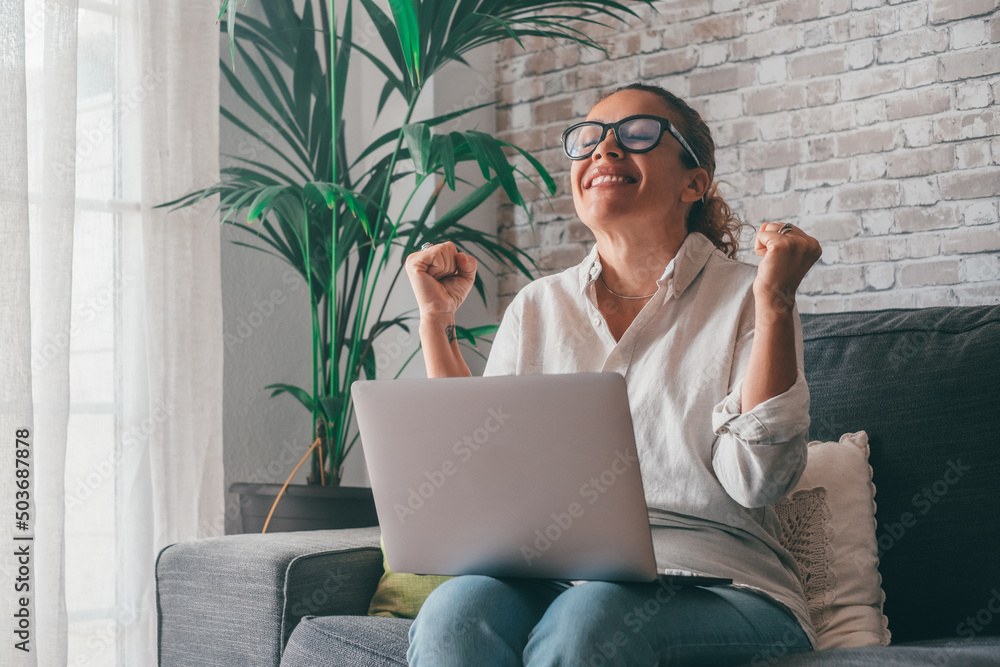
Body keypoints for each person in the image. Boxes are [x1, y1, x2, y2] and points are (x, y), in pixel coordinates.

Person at [402, 82, 823, 666]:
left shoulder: (749, 295)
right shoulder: (537, 306)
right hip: (560, 575)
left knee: (589, 620)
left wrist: (776, 299)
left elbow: (758, 481)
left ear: (693, 183)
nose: (605, 150)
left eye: (638, 134)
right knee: (455, 613)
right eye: (589, 139)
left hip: (718, 584)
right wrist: (436, 319)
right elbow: (481, 480)